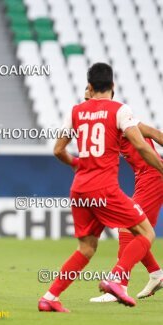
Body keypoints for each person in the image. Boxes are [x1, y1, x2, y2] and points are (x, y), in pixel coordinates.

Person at [38, 62, 163, 312]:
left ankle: (50, 297)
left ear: (91, 86)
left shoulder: (75, 111)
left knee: (86, 247)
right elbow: (142, 145)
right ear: (113, 86)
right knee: (145, 232)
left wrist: (76, 165)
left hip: (79, 189)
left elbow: (57, 150)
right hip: (105, 188)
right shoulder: (120, 111)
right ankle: (119, 279)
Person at [81, 89, 163, 302]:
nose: (86, 103)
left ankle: (119, 284)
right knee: (135, 230)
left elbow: (154, 135)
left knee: (129, 227)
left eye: (89, 98)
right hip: (143, 176)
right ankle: (156, 274)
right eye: (85, 99)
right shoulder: (110, 124)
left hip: (154, 175)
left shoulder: (122, 120)